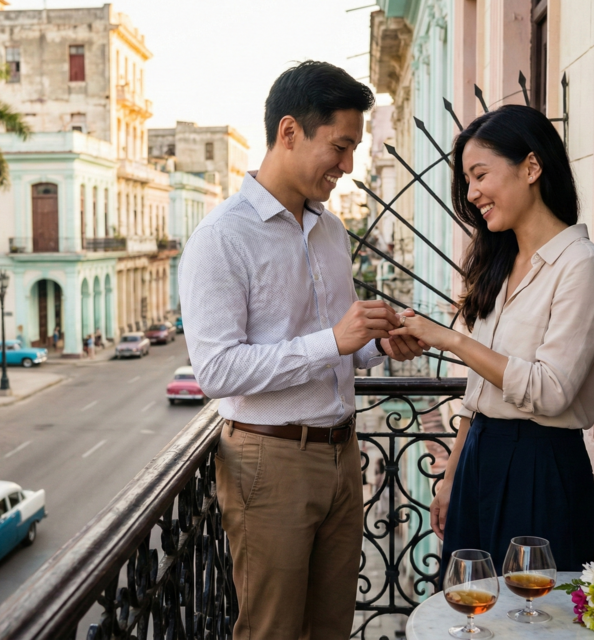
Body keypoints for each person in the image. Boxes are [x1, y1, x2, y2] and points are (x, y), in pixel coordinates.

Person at [179, 61, 423, 640]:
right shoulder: (221, 239)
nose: (347, 166)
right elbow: (216, 371)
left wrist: (377, 346)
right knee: (273, 631)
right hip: (270, 461)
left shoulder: (330, 228)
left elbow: (338, 343)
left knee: (331, 627)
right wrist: (332, 341)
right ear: (289, 132)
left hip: (343, 453)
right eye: (339, 147)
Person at [388, 104, 594, 576]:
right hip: (479, 459)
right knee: (466, 610)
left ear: (531, 167)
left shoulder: (582, 267)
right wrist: (451, 477)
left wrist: (451, 341)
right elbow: (479, 395)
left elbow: (551, 391)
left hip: (541, 467)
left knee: (530, 618)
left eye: (479, 175)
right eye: (467, 182)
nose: (472, 194)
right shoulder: (497, 264)